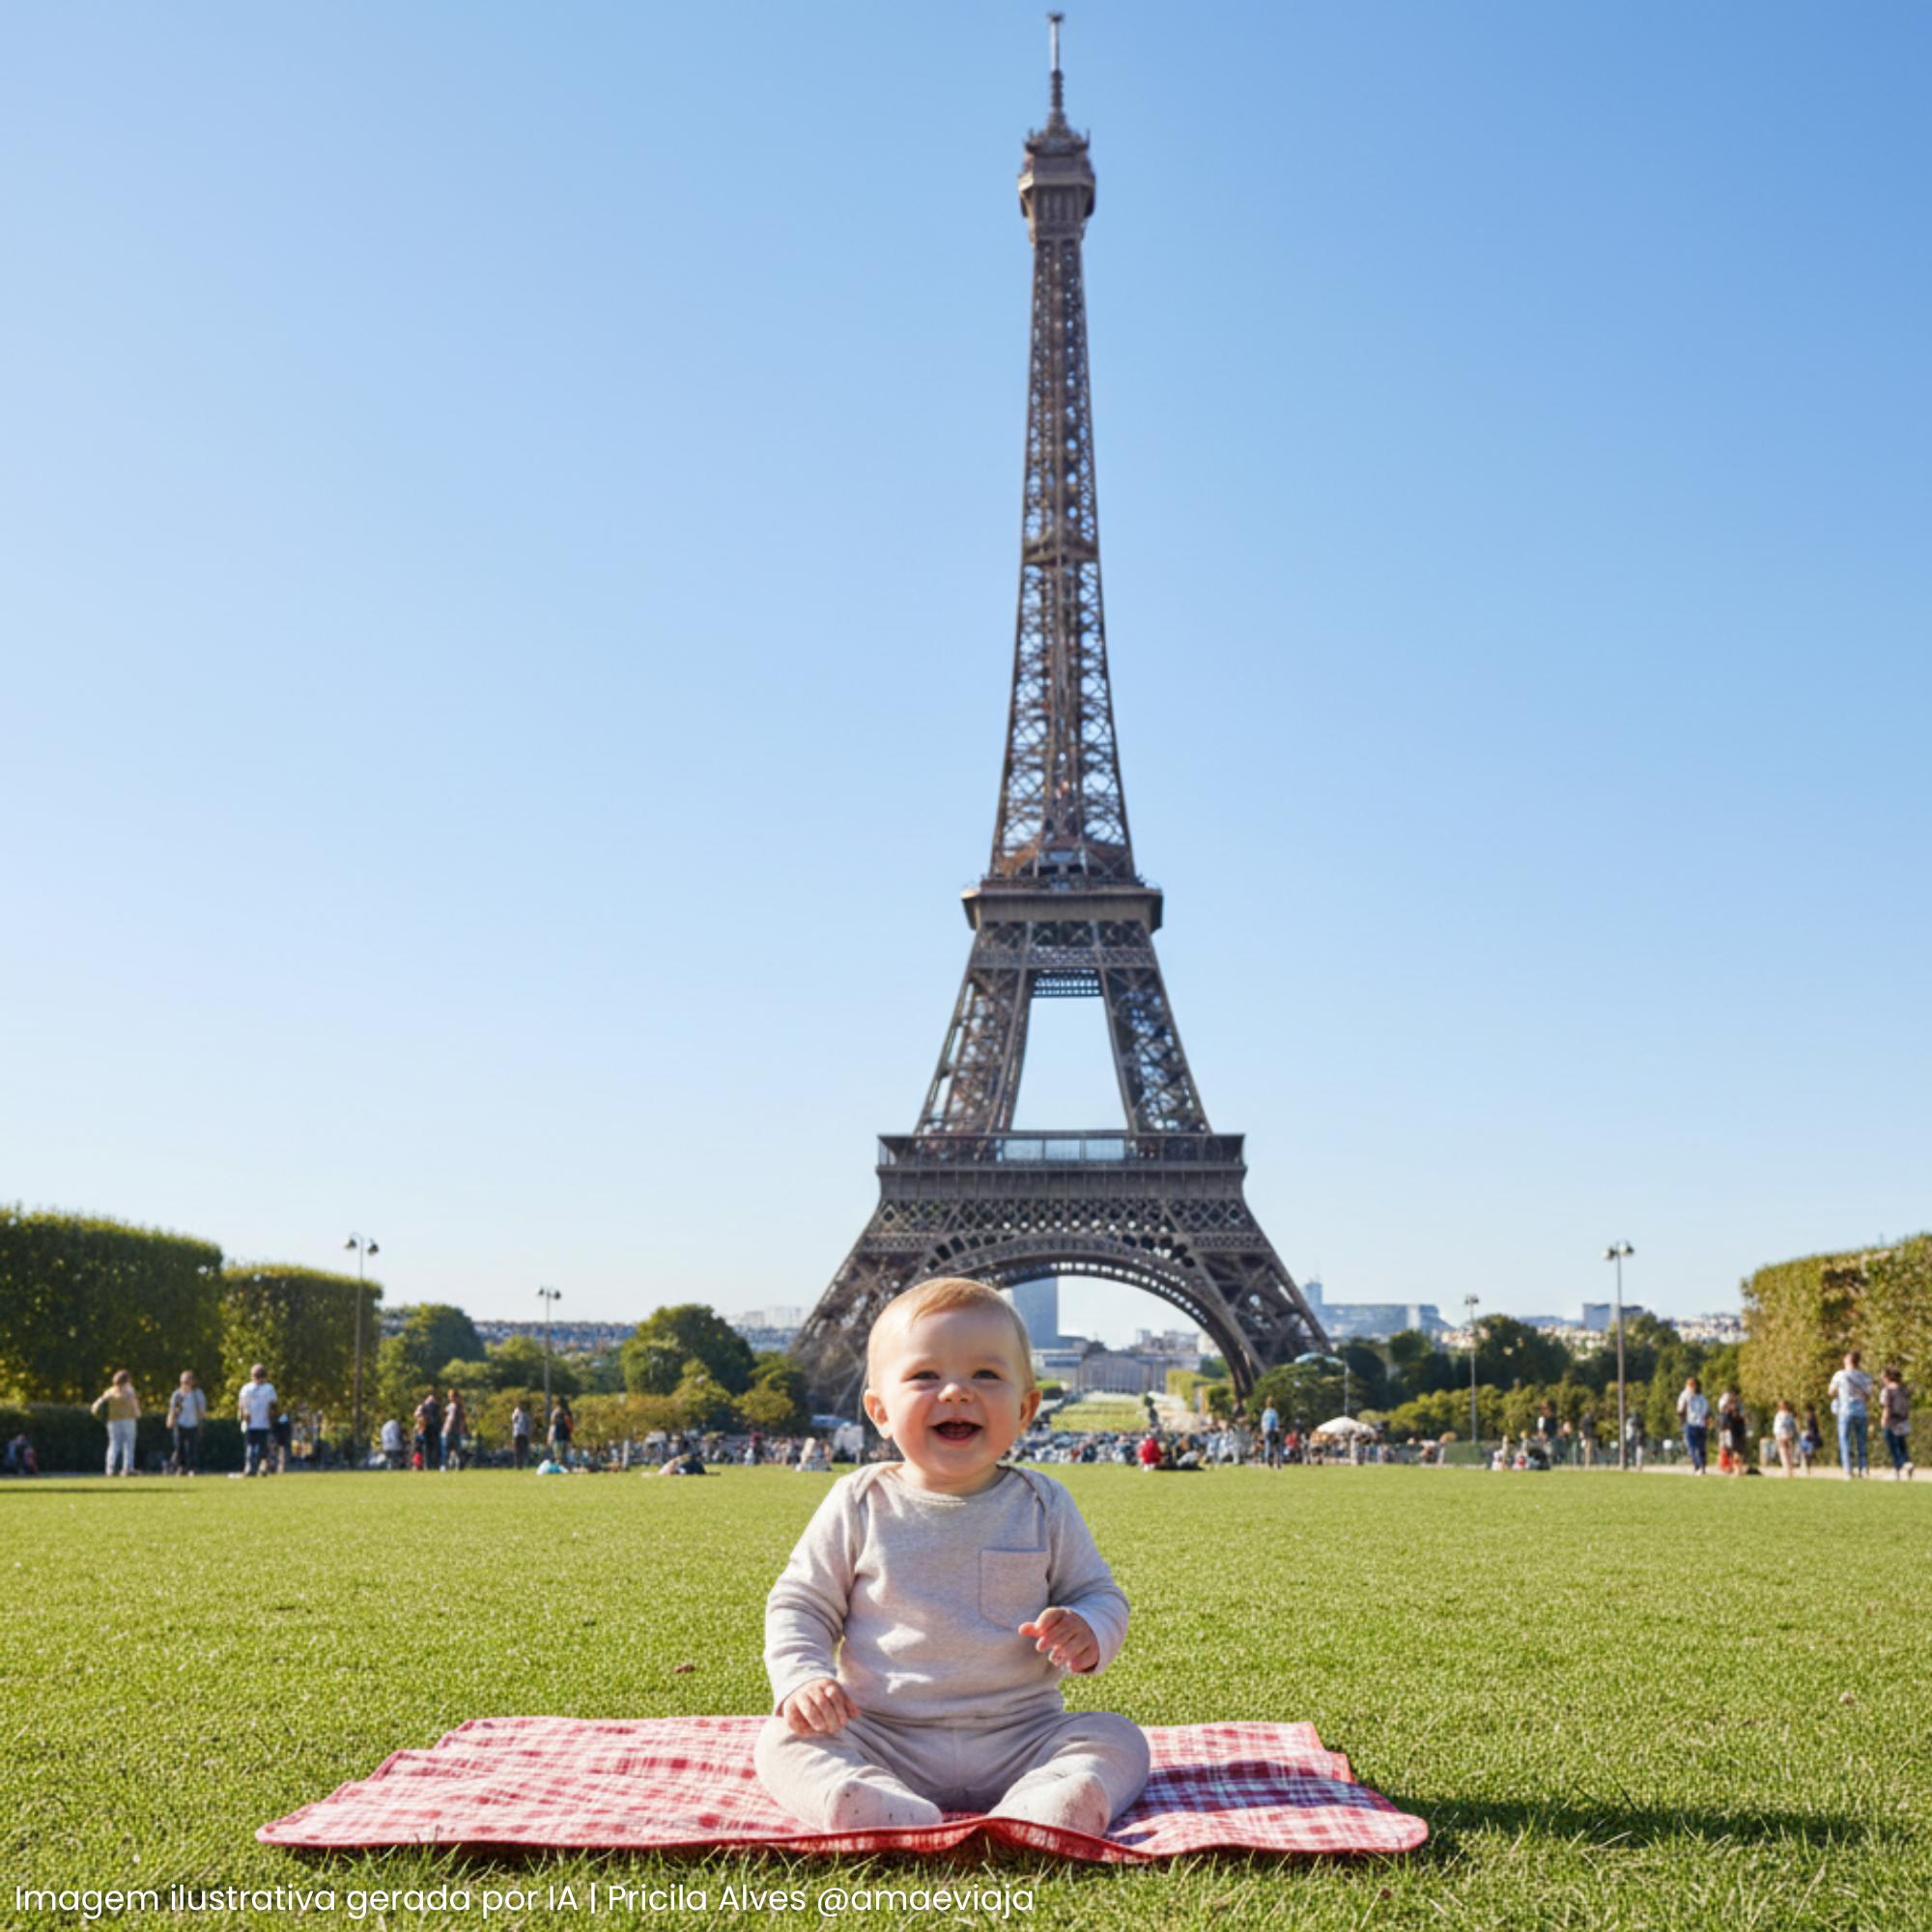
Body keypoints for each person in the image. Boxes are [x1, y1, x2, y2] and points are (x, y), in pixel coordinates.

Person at [754, 1276, 1149, 1837]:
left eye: (986, 1375)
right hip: (880, 1731)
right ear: (880, 1411)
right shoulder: (858, 1500)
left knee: (1118, 1737)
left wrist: (1087, 1625)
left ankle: (1044, 1801)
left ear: (1026, 1408)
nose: (957, 1392)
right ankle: (871, 1800)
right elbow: (800, 1603)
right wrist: (802, 1678)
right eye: (924, 1376)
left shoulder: (1044, 1502)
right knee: (783, 1739)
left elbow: (1098, 1593)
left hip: (1021, 1734)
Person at [1829, 1350, 1873, 1479]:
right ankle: (1863, 1469)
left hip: (1844, 1411)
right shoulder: (1865, 1377)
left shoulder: (1840, 1375)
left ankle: (1848, 1470)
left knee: (1845, 1441)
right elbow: (1868, 1396)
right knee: (1861, 1442)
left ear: (1847, 1361)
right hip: (1861, 1412)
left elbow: (1831, 1391)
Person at [91, 1371, 141, 1477]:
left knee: (114, 1444)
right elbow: (134, 1403)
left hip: (113, 1421)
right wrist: (137, 1412)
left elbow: (96, 1406)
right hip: (128, 1420)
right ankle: (128, 1468)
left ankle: (110, 1468)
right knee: (129, 1444)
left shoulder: (110, 1392)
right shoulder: (129, 1390)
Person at [237, 1364, 279, 1477]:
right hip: (261, 1423)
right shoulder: (268, 1389)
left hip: (255, 1423)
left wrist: (242, 1418)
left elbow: (241, 1407)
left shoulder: (247, 1389)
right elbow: (274, 1406)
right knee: (259, 1448)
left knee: (252, 1447)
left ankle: (252, 1467)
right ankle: (257, 1467)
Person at [166, 1371, 207, 1476]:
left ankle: (193, 1468)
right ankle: (181, 1467)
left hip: (193, 1424)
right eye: (183, 1382)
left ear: (193, 1382)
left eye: (187, 1382)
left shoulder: (198, 1394)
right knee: (179, 1448)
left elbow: (202, 1412)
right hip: (180, 1424)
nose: (185, 1384)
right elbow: (172, 1410)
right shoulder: (177, 1394)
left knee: (194, 1448)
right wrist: (174, 1413)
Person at [1878, 1368, 1912, 1480]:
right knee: (1902, 1444)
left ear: (1888, 1377)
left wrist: (1884, 1419)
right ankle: (1907, 1463)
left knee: (1893, 1446)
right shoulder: (1904, 1389)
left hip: (1891, 1422)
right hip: (1903, 1421)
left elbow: (1887, 1406)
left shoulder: (1888, 1390)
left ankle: (1898, 1469)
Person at [1676, 1377, 1710, 1474]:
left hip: (1691, 1424)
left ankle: (1698, 1466)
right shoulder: (1702, 1397)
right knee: (1701, 1447)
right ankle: (1702, 1466)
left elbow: (1680, 1410)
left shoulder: (1685, 1395)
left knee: (1693, 1447)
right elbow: (1706, 1411)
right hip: (1700, 1424)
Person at [1717, 1392, 1748, 1475]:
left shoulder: (1736, 1411)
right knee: (1728, 1451)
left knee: (1735, 1451)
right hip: (1731, 1432)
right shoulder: (1726, 1412)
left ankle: (1736, 1468)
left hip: (1736, 1433)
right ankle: (1730, 1467)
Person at [414, 1389, 442, 1471]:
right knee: (433, 1448)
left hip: (424, 1428)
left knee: (422, 1448)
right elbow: (440, 1416)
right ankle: (433, 1464)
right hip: (432, 1429)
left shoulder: (423, 1405)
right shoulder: (435, 1405)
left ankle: (424, 1465)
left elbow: (416, 1415)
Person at [441, 1390, 468, 1471]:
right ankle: (459, 1466)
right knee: (457, 1449)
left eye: (450, 1396)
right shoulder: (459, 1407)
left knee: (447, 1448)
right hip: (457, 1430)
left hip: (451, 1430)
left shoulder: (454, 1406)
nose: (449, 1398)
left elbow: (451, 1419)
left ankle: (445, 1466)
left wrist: (446, 1429)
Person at [1771, 1399, 1798, 1476]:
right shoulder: (1789, 1415)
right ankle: (1790, 1469)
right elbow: (1793, 1426)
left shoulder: (1778, 1415)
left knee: (1783, 1453)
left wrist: (1776, 1435)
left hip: (1780, 1436)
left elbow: (1776, 1427)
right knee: (1789, 1453)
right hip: (1788, 1436)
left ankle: (1786, 1470)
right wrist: (1792, 1434)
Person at [1798, 1406, 1822, 1474]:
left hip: (1807, 1438)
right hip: (1810, 1438)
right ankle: (1807, 1469)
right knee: (1808, 1454)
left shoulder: (1808, 1418)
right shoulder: (1812, 1418)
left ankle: (1806, 1468)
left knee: (1805, 1454)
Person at [1260, 1402, 1282, 1470]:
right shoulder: (1274, 1412)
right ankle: (1277, 1463)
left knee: (1268, 1447)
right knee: (1276, 1447)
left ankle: (1268, 1463)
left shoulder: (1265, 1413)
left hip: (1268, 1431)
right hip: (1275, 1430)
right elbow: (1276, 1422)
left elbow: (1264, 1423)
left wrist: (1264, 1431)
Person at [511, 1404, 532, 1470]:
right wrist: (517, 1414)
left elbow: (528, 1424)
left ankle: (524, 1464)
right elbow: (513, 1420)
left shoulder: (525, 1415)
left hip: (523, 1434)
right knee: (517, 1450)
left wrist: (528, 1433)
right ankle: (518, 1465)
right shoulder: (515, 1414)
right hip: (516, 1434)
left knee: (523, 1450)